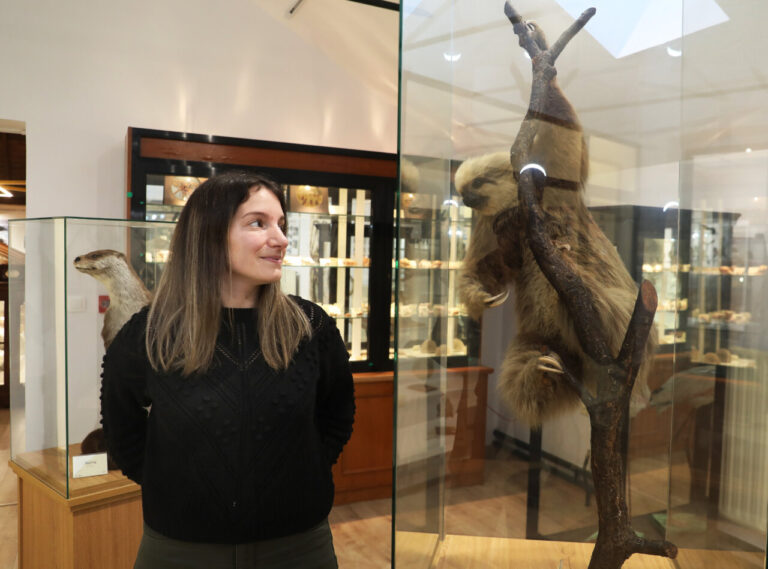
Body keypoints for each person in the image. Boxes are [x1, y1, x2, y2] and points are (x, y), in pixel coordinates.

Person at [100, 171, 356, 569]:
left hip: (298, 546)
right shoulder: (151, 332)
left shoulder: (310, 326)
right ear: (209, 233)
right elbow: (123, 431)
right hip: (181, 548)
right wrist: (172, 487)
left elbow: (336, 415)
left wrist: (299, 474)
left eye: (281, 225)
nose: (282, 239)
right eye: (259, 223)